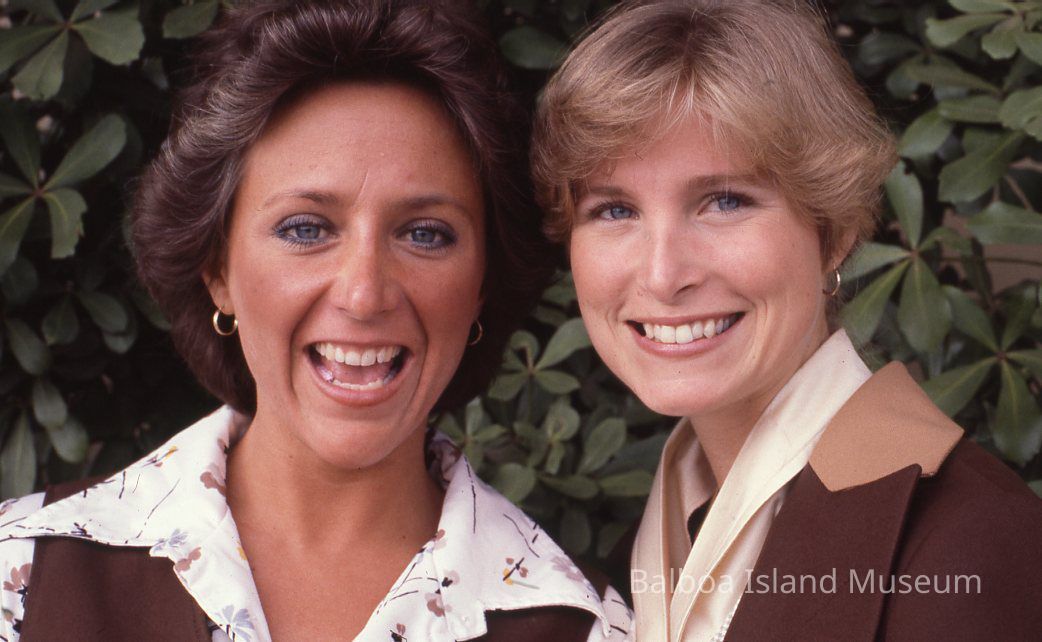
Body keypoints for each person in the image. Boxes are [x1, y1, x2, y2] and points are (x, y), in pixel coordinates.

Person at [0, 2, 633, 640]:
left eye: (425, 233)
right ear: (217, 269)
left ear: (482, 287)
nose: (364, 294)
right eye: (306, 229)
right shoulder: (19, 569)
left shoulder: (589, 626)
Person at [531, 0, 1042, 640]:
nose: (662, 275)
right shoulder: (653, 542)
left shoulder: (972, 542)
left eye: (724, 201)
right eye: (615, 210)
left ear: (834, 233)